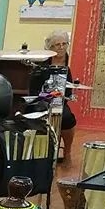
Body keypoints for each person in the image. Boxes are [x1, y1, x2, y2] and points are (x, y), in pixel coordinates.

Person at [40, 28, 77, 162]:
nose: (61, 47)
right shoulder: (42, 63)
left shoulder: (69, 63)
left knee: (67, 117)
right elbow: (35, 89)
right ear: (50, 47)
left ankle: (67, 153)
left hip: (60, 101)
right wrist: (47, 96)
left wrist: (60, 98)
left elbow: (69, 90)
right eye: (57, 45)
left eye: (64, 44)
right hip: (42, 100)